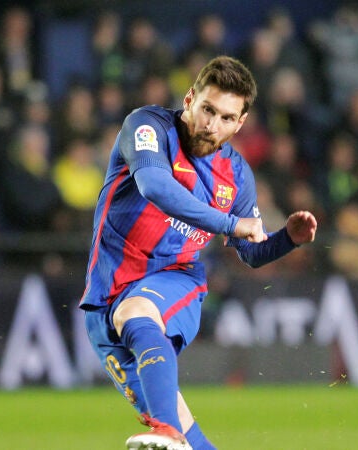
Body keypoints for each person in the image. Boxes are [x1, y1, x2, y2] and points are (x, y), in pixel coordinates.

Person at [80, 55, 317, 450]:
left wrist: (287, 240)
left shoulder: (236, 175)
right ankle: (171, 431)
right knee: (186, 435)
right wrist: (230, 223)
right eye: (208, 109)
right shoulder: (148, 126)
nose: (212, 125)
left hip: (175, 280)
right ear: (190, 99)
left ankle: (165, 430)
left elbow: (250, 252)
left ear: (240, 123)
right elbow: (155, 186)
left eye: (227, 118)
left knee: (135, 314)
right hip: (103, 299)